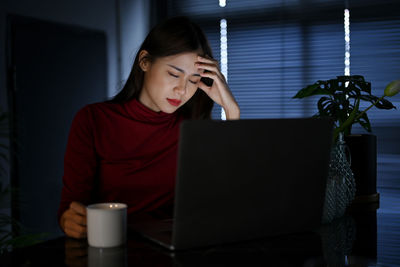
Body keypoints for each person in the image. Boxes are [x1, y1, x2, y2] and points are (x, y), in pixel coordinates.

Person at [58, 16, 240, 239]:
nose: (182, 90)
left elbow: (227, 197)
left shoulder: (192, 127)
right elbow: (71, 205)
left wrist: (232, 112)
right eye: (174, 74)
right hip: (112, 245)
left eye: (193, 80)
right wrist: (69, 220)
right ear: (145, 61)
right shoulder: (93, 120)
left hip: (175, 247)